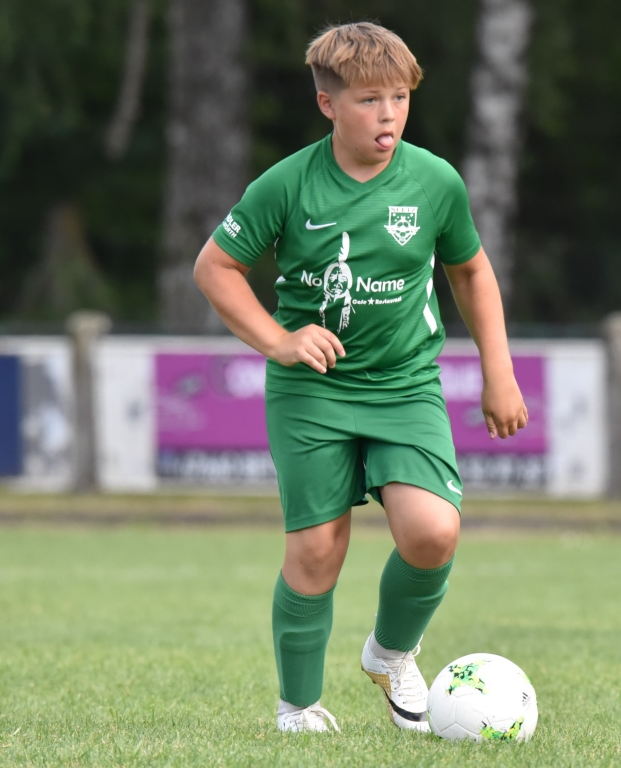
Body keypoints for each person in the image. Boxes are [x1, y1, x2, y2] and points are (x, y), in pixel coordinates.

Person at [193, 22, 528, 732]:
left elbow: (471, 271)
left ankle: (390, 653)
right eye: (370, 100)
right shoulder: (287, 183)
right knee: (318, 549)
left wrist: (497, 372)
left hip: (405, 384)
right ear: (328, 104)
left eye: (399, 98)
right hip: (312, 392)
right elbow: (215, 268)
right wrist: (279, 340)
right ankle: (298, 707)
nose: (388, 115)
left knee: (433, 532)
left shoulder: (435, 181)